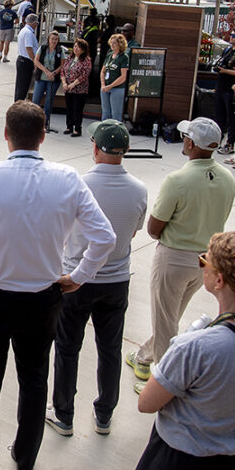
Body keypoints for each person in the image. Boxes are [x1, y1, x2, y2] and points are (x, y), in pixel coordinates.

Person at [0, 101, 115, 470]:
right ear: (43, 136)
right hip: (42, 298)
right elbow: (105, 237)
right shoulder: (67, 178)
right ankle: (25, 461)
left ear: (6, 134)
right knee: (34, 381)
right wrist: (80, 276)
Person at [132, 232, 235, 470]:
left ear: (219, 280)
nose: (202, 267)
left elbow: (147, 403)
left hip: (179, 461)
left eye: (204, 262)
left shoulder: (194, 346)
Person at [47, 120, 147, 437]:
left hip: (76, 278)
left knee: (67, 348)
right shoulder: (139, 189)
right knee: (110, 349)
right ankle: (104, 414)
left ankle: (64, 414)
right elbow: (131, 233)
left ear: (94, 148)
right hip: (117, 280)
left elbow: (60, 231)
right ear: (126, 151)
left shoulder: (77, 184)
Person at [126, 117, 235, 388]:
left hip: (174, 257)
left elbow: (154, 228)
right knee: (170, 315)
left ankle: (163, 380)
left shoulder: (177, 180)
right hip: (206, 260)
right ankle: (144, 354)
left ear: (190, 143)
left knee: (166, 320)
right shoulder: (227, 177)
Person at [31, 30, 65, 132]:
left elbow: (62, 65)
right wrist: (45, 71)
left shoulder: (60, 50)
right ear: (48, 39)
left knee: (48, 102)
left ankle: (45, 124)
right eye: (52, 39)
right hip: (41, 77)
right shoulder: (43, 48)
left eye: (56, 39)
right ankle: (33, 122)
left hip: (53, 80)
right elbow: (36, 60)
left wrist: (54, 73)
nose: (54, 41)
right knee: (36, 100)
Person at [61, 38, 93, 137]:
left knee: (77, 109)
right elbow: (63, 70)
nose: (76, 49)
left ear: (83, 49)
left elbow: (84, 75)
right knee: (69, 108)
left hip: (79, 89)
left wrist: (73, 84)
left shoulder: (86, 61)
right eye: (75, 46)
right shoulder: (70, 58)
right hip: (68, 88)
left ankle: (77, 129)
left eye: (79, 47)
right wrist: (64, 83)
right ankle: (69, 126)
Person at [100, 33, 129, 122]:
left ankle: (115, 133)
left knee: (116, 113)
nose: (112, 45)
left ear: (120, 44)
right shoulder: (109, 55)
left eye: (114, 43)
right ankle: (104, 131)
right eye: (111, 43)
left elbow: (123, 76)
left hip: (117, 88)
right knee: (105, 112)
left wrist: (110, 86)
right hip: (105, 87)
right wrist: (103, 84)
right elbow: (103, 71)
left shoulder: (124, 57)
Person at [13, 14, 39, 102]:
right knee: (23, 86)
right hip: (26, 61)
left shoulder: (24, 30)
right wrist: (35, 61)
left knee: (21, 85)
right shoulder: (28, 33)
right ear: (34, 22)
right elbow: (29, 49)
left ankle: (18, 103)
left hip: (22, 59)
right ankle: (19, 104)